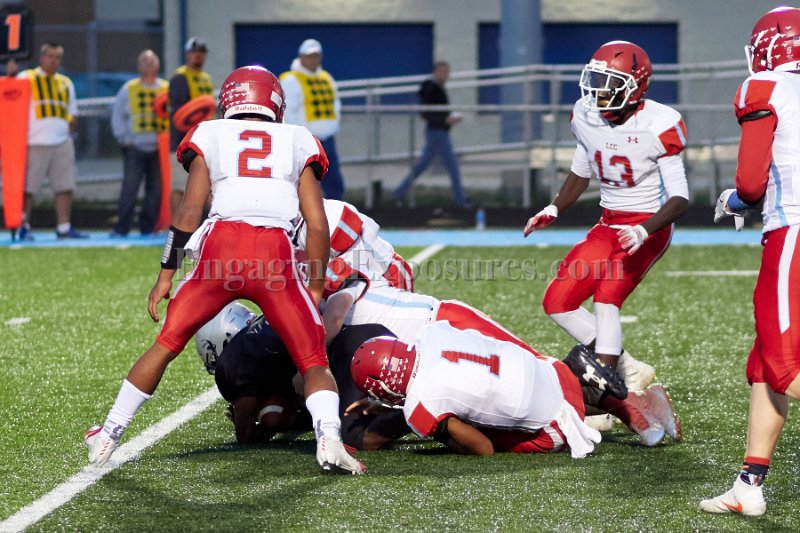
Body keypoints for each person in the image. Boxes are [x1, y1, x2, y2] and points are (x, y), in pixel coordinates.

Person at [84, 66, 365, 475]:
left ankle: (109, 433)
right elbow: (317, 224)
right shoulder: (298, 138)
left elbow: (189, 211)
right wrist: (317, 287)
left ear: (228, 100)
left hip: (221, 252)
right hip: (273, 255)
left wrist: (166, 274)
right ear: (275, 103)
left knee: (166, 345)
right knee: (313, 361)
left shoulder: (209, 132)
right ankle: (330, 441)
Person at [523, 41, 689, 392]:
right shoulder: (585, 114)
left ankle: (604, 390)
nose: (599, 91)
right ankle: (630, 370)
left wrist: (644, 230)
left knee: (607, 296)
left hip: (649, 222)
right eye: (597, 80)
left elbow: (679, 198)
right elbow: (580, 172)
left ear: (636, 86)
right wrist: (554, 207)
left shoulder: (659, 124)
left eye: (610, 83)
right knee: (558, 301)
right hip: (609, 222)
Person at [701, 6, 800, 516]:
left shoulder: (766, 87)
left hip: (794, 233)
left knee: (783, 367)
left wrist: (735, 200)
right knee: (764, 363)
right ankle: (749, 483)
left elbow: (751, 183)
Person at [195, 302, 410, 450]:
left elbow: (247, 436)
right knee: (353, 418)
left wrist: (249, 421)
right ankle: (418, 410)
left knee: (356, 436)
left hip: (353, 352)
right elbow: (292, 417)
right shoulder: (261, 340)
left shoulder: (233, 361)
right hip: (368, 343)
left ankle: (420, 415)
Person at [15, 43, 87, 240]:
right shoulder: (27, 77)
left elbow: (72, 113)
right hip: (35, 141)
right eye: (50, 56)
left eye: (57, 57)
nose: (54, 61)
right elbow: (12, 95)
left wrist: (66, 134)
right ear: (41, 57)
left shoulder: (65, 82)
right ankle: (23, 225)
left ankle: (64, 227)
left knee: (65, 186)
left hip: (61, 142)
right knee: (28, 188)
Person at [293, 198, 414, 293]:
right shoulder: (297, 219)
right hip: (355, 284)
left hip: (387, 279)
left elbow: (342, 276)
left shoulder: (330, 219)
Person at [394, 61, 469, 208]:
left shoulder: (438, 89)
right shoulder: (430, 89)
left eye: (446, 72)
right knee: (452, 166)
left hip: (439, 130)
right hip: (437, 132)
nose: (444, 75)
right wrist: (445, 121)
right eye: (441, 71)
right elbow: (427, 113)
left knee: (423, 165)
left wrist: (447, 119)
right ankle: (460, 199)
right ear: (435, 72)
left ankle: (399, 192)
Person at [110, 50, 168, 237]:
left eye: (151, 61)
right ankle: (122, 227)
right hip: (135, 147)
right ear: (138, 66)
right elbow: (117, 115)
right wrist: (123, 139)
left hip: (159, 148)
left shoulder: (166, 88)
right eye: (144, 61)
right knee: (130, 188)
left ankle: (149, 227)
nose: (148, 65)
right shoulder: (129, 88)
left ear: (158, 64)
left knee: (155, 190)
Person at [280, 39, 345, 200]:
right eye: (309, 56)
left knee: (334, 182)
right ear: (301, 57)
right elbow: (288, 112)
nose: (313, 60)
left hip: (327, 140)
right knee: (303, 182)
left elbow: (335, 104)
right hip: (305, 142)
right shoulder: (290, 79)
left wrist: (333, 126)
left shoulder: (326, 77)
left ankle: (335, 211)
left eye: (316, 56)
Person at [168, 37, 214, 217]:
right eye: (195, 52)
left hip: (203, 140)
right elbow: (179, 112)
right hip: (182, 139)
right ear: (187, 54)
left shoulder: (206, 79)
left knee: (205, 185)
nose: (198, 56)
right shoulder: (180, 77)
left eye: (201, 53)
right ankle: (175, 225)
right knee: (180, 187)